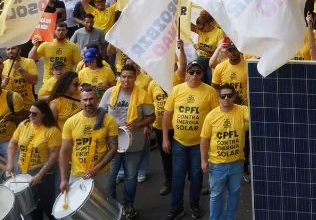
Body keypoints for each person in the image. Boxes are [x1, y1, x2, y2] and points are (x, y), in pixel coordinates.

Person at [164, 60, 219, 220]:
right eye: (192, 72)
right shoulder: (176, 90)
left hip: (199, 144)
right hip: (178, 141)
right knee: (178, 176)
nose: (195, 75)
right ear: (186, 73)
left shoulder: (210, 92)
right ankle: (176, 207)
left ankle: (194, 205)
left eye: (198, 72)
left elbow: (215, 118)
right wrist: (165, 138)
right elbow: (167, 115)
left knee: (196, 177)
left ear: (203, 74)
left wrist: (211, 143)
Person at [100, 64, 155, 219]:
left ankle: (128, 205)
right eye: (123, 76)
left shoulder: (143, 95)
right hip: (113, 145)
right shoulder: (110, 93)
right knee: (110, 177)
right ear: (119, 77)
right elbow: (101, 112)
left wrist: (138, 124)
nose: (126, 80)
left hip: (134, 144)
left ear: (135, 78)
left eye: (129, 77)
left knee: (131, 177)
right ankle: (111, 205)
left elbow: (152, 117)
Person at [200, 83, 249, 220]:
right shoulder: (211, 116)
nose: (226, 98)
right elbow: (204, 140)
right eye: (223, 96)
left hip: (237, 163)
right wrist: (203, 161)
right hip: (217, 165)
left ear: (234, 96)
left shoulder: (242, 110)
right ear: (219, 98)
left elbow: (254, 116)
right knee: (216, 196)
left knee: (234, 195)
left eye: (229, 95)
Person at [6, 99, 61, 220]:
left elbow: (53, 156)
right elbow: (13, 144)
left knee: (48, 206)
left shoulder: (52, 131)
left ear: (44, 115)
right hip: (24, 171)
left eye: (34, 114)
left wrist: (40, 175)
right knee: (32, 207)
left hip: (44, 174)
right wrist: (10, 163)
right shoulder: (24, 125)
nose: (30, 116)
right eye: (30, 113)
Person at [59, 85, 119, 192]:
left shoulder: (109, 120)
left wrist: (97, 168)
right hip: (77, 175)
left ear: (97, 100)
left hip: (101, 174)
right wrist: (64, 179)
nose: (88, 103)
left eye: (91, 99)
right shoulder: (71, 122)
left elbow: (113, 147)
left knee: (103, 206)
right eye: (85, 100)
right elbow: (64, 151)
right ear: (80, 101)